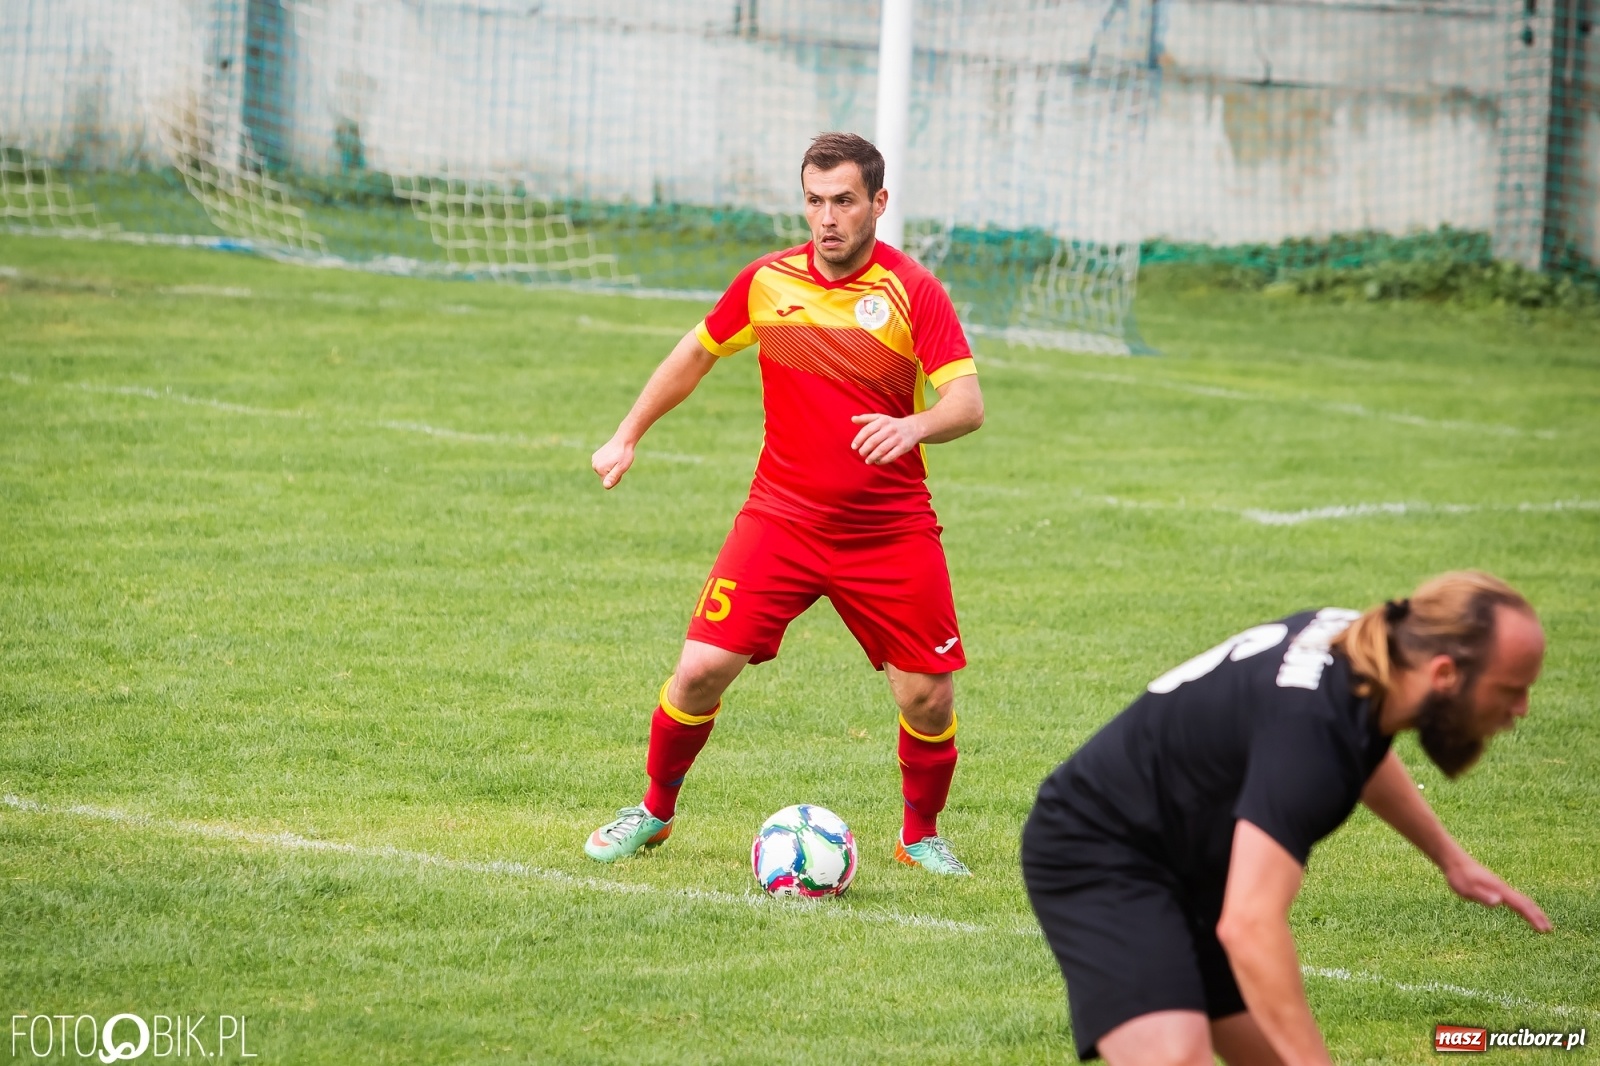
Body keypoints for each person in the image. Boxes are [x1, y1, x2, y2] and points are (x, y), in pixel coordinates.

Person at [583, 132, 985, 876]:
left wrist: (913, 425)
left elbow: (966, 402)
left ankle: (919, 834)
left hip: (890, 530)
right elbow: (696, 351)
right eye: (814, 201)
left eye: (843, 201)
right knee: (698, 671)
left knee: (927, 696)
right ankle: (653, 811)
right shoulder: (767, 283)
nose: (827, 218)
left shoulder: (911, 291)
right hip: (782, 520)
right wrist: (627, 434)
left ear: (878, 203)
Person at [1022, 571, 1553, 1065]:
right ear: (1444, 674)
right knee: (1176, 1055)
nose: (1523, 709)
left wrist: (1448, 857)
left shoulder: (1364, 651)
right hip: (1097, 848)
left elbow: (1362, 748)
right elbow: (1250, 926)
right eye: (1511, 689)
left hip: (1189, 857)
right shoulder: (1314, 731)